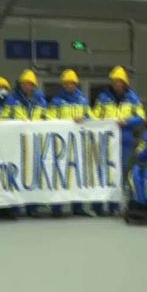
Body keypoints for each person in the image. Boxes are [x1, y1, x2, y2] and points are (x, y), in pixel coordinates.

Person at [92, 66, 145, 215]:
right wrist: (86, 119)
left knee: (119, 173)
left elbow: (141, 117)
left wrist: (127, 121)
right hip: (106, 141)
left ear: (125, 83)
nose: (117, 84)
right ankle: (99, 207)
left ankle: (114, 206)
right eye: (114, 81)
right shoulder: (103, 98)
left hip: (125, 141)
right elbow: (96, 116)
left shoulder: (133, 98)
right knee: (103, 172)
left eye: (120, 81)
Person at [47, 69, 93, 216]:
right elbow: (49, 118)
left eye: (71, 83)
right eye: (66, 83)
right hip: (60, 145)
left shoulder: (83, 100)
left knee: (77, 176)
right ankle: (57, 208)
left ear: (75, 84)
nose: (69, 86)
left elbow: (92, 118)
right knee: (59, 175)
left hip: (78, 145)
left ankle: (78, 207)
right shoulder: (56, 101)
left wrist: (85, 119)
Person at [12, 69, 48, 217]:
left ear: (34, 86)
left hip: (35, 144)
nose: (27, 87)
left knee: (34, 175)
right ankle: (16, 208)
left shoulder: (41, 101)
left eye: (30, 84)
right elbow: (4, 117)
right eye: (25, 84)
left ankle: (32, 208)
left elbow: (48, 118)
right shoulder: (13, 99)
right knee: (16, 174)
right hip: (16, 143)